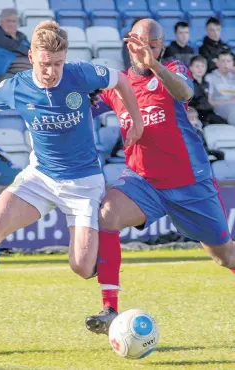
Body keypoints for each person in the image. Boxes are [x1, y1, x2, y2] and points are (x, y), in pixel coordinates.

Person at [0, 21, 143, 335]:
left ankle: (105, 265)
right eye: (46, 64)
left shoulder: (80, 74)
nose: (51, 71)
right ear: (32, 57)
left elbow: (123, 81)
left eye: (58, 64)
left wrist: (135, 122)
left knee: (82, 266)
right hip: (41, 177)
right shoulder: (16, 86)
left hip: (84, 183)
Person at [85, 18, 235, 336]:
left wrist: (154, 64)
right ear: (129, 44)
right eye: (140, 43)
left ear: (161, 47)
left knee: (225, 256)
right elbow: (84, 107)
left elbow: (185, 93)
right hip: (143, 182)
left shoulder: (172, 72)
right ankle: (110, 309)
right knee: (107, 215)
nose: (145, 50)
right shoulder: (117, 85)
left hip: (190, 182)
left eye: (153, 45)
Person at [0, 8, 31, 83]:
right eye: (8, 21)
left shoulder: (22, 36)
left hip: (23, 73)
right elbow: (16, 48)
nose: (11, 24)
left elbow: (31, 50)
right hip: (1, 75)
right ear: (1, 22)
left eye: (14, 21)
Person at [189, 55, 227, 125]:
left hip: (209, 113)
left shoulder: (207, 84)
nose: (200, 69)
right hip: (197, 114)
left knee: (225, 123)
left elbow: (211, 100)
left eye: (203, 66)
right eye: (197, 66)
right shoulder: (188, 84)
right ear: (191, 68)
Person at [205, 51, 235, 126]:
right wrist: (229, 102)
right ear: (217, 63)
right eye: (223, 61)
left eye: (228, 61)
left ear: (233, 63)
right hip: (220, 108)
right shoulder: (210, 78)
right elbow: (210, 102)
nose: (226, 64)